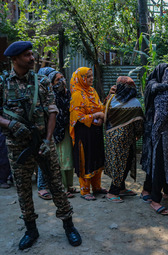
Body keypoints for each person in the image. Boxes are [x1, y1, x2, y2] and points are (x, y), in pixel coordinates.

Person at [0, 41, 81, 249]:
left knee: (56, 184)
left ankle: (69, 225)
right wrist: (10, 124)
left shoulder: (42, 81)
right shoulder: (2, 82)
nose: (32, 58)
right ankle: (31, 229)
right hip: (17, 145)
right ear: (14, 59)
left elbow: (52, 112)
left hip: (43, 143)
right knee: (23, 189)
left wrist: (47, 139)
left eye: (31, 54)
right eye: (27, 55)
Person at [140, 63, 168, 203]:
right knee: (153, 161)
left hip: (166, 130)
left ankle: (166, 191)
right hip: (153, 128)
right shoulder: (153, 84)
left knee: (164, 162)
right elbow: (155, 89)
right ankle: (147, 190)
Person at [36, 67, 78, 200]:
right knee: (47, 158)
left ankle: (65, 186)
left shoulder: (65, 93)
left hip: (62, 130)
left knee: (63, 159)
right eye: (57, 79)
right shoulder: (46, 94)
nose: (62, 81)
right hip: (48, 130)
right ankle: (43, 187)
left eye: (62, 78)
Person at [104, 76, 144, 202]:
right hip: (125, 140)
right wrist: (138, 134)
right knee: (122, 165)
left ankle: (121, 188)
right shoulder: (134, 103)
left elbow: (105, 115)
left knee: (119, 164)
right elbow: (139, 125)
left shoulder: (111, 99)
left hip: (111, 138)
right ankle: (112, 192)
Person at [69, 67, 107, 201]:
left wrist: (101, 118)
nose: (91, 78)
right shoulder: (77, 95)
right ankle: (85, 190)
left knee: (97, 158)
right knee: (85, 160)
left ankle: (96, 187)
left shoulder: (92, 91)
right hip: (84, 133)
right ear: (81, 78)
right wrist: (96, 115)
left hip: (95, 131)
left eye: (91, 76)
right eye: (88, 76)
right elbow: (77, 117)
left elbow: (101, 107)